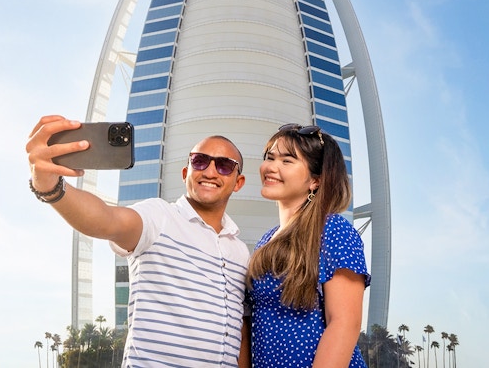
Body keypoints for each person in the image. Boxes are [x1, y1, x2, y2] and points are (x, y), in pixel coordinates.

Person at [26, 115, 251, 368]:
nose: (210, 171)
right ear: (186, 172)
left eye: (224, 165)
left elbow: (240, 331)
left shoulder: (241, 253)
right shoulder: (159, 217)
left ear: (238, 182)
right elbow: (107, 219)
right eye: (200, 161)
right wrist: (50, 186)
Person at [245, 124, 370, 368]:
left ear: (315, 180)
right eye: (269, 158)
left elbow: (344, 324)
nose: (271, 167)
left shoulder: (334, 230)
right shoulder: (266, 240)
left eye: (287, 161)